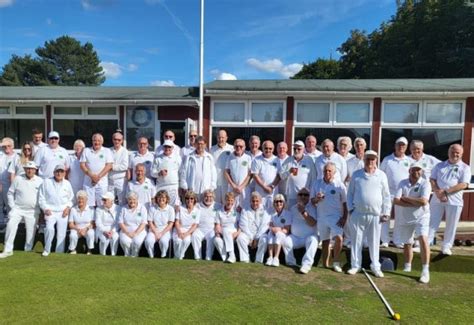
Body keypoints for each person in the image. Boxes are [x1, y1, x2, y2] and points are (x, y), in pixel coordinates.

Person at [346, 150, 391, 277]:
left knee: (374, 241)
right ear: (364, 160)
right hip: (358, 214)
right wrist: (350, 209)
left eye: (373, 159)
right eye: (368, 159)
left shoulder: (382, 175)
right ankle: (355, 265)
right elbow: (350, 193)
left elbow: (386, 196)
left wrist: (386, 212)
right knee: (356, 241)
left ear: (376, 160)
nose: (370, 161)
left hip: (375, 215)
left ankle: (375, 266)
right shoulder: (356, 175)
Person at [428, 144, 471, 255]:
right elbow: (432, 179)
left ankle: (446, 246)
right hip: (437, 198)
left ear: (461, 154)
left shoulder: (465, 168)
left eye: (457, 152)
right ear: (448, 152)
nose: (455, 154)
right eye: (453, 152)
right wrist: (437, 191)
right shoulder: (439, 165)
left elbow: (464, 184)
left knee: (451, 224)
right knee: (432, 222)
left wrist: (446, 192)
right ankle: (425, 243)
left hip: (454, 200)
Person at [393, 162, 431, 283]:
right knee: (407, 242)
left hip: (422, 216)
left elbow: (424, 201)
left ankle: (425, 270)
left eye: (418, 170)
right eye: (413, 170)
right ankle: (407, 266)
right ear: (409, 171)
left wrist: (406, 198)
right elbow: (396, 200)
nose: (416, 172)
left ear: (422, 171)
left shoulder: (426, 183)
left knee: (423, 238)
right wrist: (414, 202)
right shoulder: (402, 183)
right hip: (407, 217)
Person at [0, 161, 43, 258]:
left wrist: (40, 210)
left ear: (35, 170)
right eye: (27, 168)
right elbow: (10, 193)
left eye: (32, 169)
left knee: (30, 233)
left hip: (32, 210)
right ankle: (7, 250)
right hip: (18, 209)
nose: (29, 171)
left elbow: (42, 197)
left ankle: (27, 251)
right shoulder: (18, 179)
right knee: (10, 225)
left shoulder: (40, 181)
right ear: (24, 169)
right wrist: (12, 207)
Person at [310, 162, 348, 272]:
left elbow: (345, 203)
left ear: (334, 172)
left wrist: (344, 218)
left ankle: (336, 263)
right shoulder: (316, 184)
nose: (327, 173)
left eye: (330, 171)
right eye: (325, 171)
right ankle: (325, 265)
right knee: (325, 241)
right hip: (321, 217)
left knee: (339, 238)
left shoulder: (340, 185)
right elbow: (312, 201)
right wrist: (317, 199)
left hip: (336, 217)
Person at [380, 137, 411, 248]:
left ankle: (398, 240)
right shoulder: (387, 160)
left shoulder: (409, 161)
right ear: (395, 146)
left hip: (402, 194)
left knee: (400, 218)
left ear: (406, 147)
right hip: (388, 193)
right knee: (385, 216)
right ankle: (384, 240)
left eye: (403, 145)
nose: (401, 147)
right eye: (399, 145)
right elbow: (381, 174)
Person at [39, 164, 74, 256]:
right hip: (50, 211)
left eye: (61, 171)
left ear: (64, 173)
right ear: (54, 172)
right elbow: (41, 198)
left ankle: (59, 252)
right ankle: (47, 249)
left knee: (61, 234)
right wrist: (45, 209)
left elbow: (71, 199)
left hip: (63, 211)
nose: (59, 173)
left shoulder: (67, 183)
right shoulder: (46, 182)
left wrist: (68, 208)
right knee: (49, 229)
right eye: (57, 171)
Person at [283, 188, 318, 274]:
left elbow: (312, 223)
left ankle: (306, 265)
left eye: (306, 195)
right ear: (297, 196)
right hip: (295, 237)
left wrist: (303, 212)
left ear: (309, 197)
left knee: (313, 240)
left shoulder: (313, 207)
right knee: (286, 241)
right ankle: (291, 263)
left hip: (308, 237)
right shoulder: (292, 208)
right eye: (300, 194)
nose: (303, 196)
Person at [80, 133, 113, 207]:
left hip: (102, 182)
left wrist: (98, 177)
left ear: (102, 142)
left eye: (98, 140)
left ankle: (100, 218)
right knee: (88, 205)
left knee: (102, 204)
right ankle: (90, 219)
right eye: (94, 140)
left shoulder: (107, 151)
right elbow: (82, 165)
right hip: (88, 182)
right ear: (92, 141)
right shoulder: (86, 150)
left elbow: (109, 166)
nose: (96, 142)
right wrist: (92, 176)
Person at [279, 140, 316, 207]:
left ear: (303, 150)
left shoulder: (309, 160)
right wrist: (289, 172)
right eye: (295, 149)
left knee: (304, 215)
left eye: (299, 149)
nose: (296, 150)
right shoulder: (288, 160)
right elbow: (281, 176)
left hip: (305, 195)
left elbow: (314, 177)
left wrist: (312, 193)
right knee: (292, 215)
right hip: (292, 196)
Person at [237, 192, 270, 264]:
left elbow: (265, 226)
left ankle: (258, 260)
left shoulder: (265, 210)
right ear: (250, 201)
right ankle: (245, 259)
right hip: (248, 235)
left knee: (264, 239)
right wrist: (251, 237)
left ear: (260, 201)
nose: (255, 203)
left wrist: (256, 238)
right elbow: (243, 224)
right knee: (240, 238)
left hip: (260, 235)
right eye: (253, 201)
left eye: (257, 201)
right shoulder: (245, 210)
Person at [145, 190, 175, 258]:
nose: (161, 199)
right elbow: (150, 222)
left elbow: (171, 224)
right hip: (154, 230)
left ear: (167, 199)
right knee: (148, 241)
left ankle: (163, 256)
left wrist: (161, 233)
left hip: (165, 231)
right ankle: (151, 255)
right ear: (156, 198)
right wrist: (156, 233)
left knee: (164, 242)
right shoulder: (152, 208)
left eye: (163, 197)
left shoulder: (171, 209)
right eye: (159, 197)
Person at [151, 139, 181, 207]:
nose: (167, 148)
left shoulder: (177, 158)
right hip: (161, 186)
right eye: (166, 146)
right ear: (163, 147)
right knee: (161, 205)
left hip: (173, 186)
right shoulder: (158, 159)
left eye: (169, 147)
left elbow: (181, 172)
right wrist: (159, 173)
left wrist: (181, 186)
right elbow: (152, 173)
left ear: (172, 148)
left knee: (174, 206)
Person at [251, 140, 279, 212]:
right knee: (259, 211)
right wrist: (264, 187)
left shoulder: (277, 159)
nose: (268, 150)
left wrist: (271, 187)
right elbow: (255, 175)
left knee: (273, 211)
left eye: (270, 148)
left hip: (273, 192)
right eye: (266, 148)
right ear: (262, 148)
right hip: (260, 192)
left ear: (273, 149)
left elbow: (279, 175)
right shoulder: (256, 160)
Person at [191, 189, 219, 260]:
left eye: (210, 197)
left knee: (212, 236)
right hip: (199, 229)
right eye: (206, 196)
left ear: (213, 197)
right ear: (203, 197)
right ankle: (198, 257)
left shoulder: (218, 205)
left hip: (211, 229)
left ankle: (208, 257)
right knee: (195, 236)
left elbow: (227, 208)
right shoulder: (197, 205)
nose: (208, 198)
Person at [224, 139, 251, 210]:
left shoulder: (248, 158)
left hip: (244, 188)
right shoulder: (230, 157)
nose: (238, 148)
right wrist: (233, 186)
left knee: (244, 208)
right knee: (231, 208)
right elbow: (226, 172)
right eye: (236, 146)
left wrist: (241, 186)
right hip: (232, 188)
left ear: (244, 147)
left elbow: (249, 174)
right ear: (234, 147)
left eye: (241, 146)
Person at [118, 191, 147, 257]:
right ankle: (127, 255)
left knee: (137, 242)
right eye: (130, 199)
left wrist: (136, 233)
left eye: (134, 199)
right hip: (126, 230)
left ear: (137, 200)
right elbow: (120, 222)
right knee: (125, 242)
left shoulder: (142, 208)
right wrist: (128, 233)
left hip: (139, 230)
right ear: (127, 200)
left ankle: (134, 255)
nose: (132, 201)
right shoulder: (123, 208)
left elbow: (144, 223)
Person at [214, 192, 240, 263]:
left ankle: (232, 255)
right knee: (216, 240)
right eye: (228, 200)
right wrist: (218, 233)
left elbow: (240, 225)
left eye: (231, 200)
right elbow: (217, 225)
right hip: (223, 232)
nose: (230, 202)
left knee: (226, 230)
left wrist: (237, 233)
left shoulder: (236, 211)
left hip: (233, 231)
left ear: (234, 201)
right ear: (225, 200)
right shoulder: (219, 211)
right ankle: (226, 257)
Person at [266, 194, 291, 267]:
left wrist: (278, 230)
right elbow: (270, 225)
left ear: (283, 203)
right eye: (276, 201)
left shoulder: (288, 214)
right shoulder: (272, 214)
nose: (278, 203)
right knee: (270, 233)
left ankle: (276, 258)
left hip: (284, 234)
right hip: (274, 232)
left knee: (278, 234)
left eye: (280, 201)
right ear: (274, 203)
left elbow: (287, 230)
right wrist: (272, 229)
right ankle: (270, 257)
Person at [173, 190, 200, 260]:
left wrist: (187, 234)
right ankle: (176, 256)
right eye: (187, 198)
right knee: (178, 241)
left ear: (194, 199)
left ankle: (180, 256)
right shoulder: (180, 208)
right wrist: (179, 232)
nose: (189, 200)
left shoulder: (197, 210)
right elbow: (176, 222)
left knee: (186, 241)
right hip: (178, 229)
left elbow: (195, 225)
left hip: (188, 231)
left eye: (191, 198)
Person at [210, 129, 234, 204]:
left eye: (223, 137)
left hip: (227, 183)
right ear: (217, 138)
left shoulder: (231, 149)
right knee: (215, 204)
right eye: (219, 137)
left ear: (226, 138)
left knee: (227, 203)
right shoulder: (212, 149)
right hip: (216, 182)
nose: (221, 139)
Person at [68, 190, 95, 255]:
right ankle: (73, 250)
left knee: (91, 233)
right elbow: (70, 224)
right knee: (72, 235)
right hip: (76, 229)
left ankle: (89, 250)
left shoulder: (91, 209)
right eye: (79, 198)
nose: (80, 200)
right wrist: (77, 229)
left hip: (87, 229)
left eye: (82, 198)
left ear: (86, 199)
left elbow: (93, 223)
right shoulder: (73, 209)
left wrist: (85, 229)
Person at [0, 137, 19, 228]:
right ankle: (1, 223)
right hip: (0, 183)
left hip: (10, 185)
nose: (6, 147)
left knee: (9, 205)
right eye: (4, 146)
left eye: (9, 145)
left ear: (13, 146)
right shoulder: (0, 155)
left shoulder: (17, 157)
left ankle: (10, 225)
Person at [95, 191, 120, 256]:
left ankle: (113, 255)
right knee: (104, 239)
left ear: (111, 201)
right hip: (102, 229)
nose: (103, 201)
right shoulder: (98, 209)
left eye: (105, 200)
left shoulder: (118, 208)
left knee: (115, 237)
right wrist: (105, 231)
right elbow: (98, 223)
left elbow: (118, 222)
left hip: (113, 229)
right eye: (103, 199)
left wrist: (113, 231)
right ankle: (102, 254)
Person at [108, 131, 129, 204]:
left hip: (121, 180)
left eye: (119, 140)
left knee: (122, 201)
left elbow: (125, 166)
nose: (117, 141)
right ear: (112, 140)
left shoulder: (124, 151)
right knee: (109, 201)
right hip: (110, 180)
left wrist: (112, 167)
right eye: (115, 139)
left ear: (122, 141)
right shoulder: (108, 150)